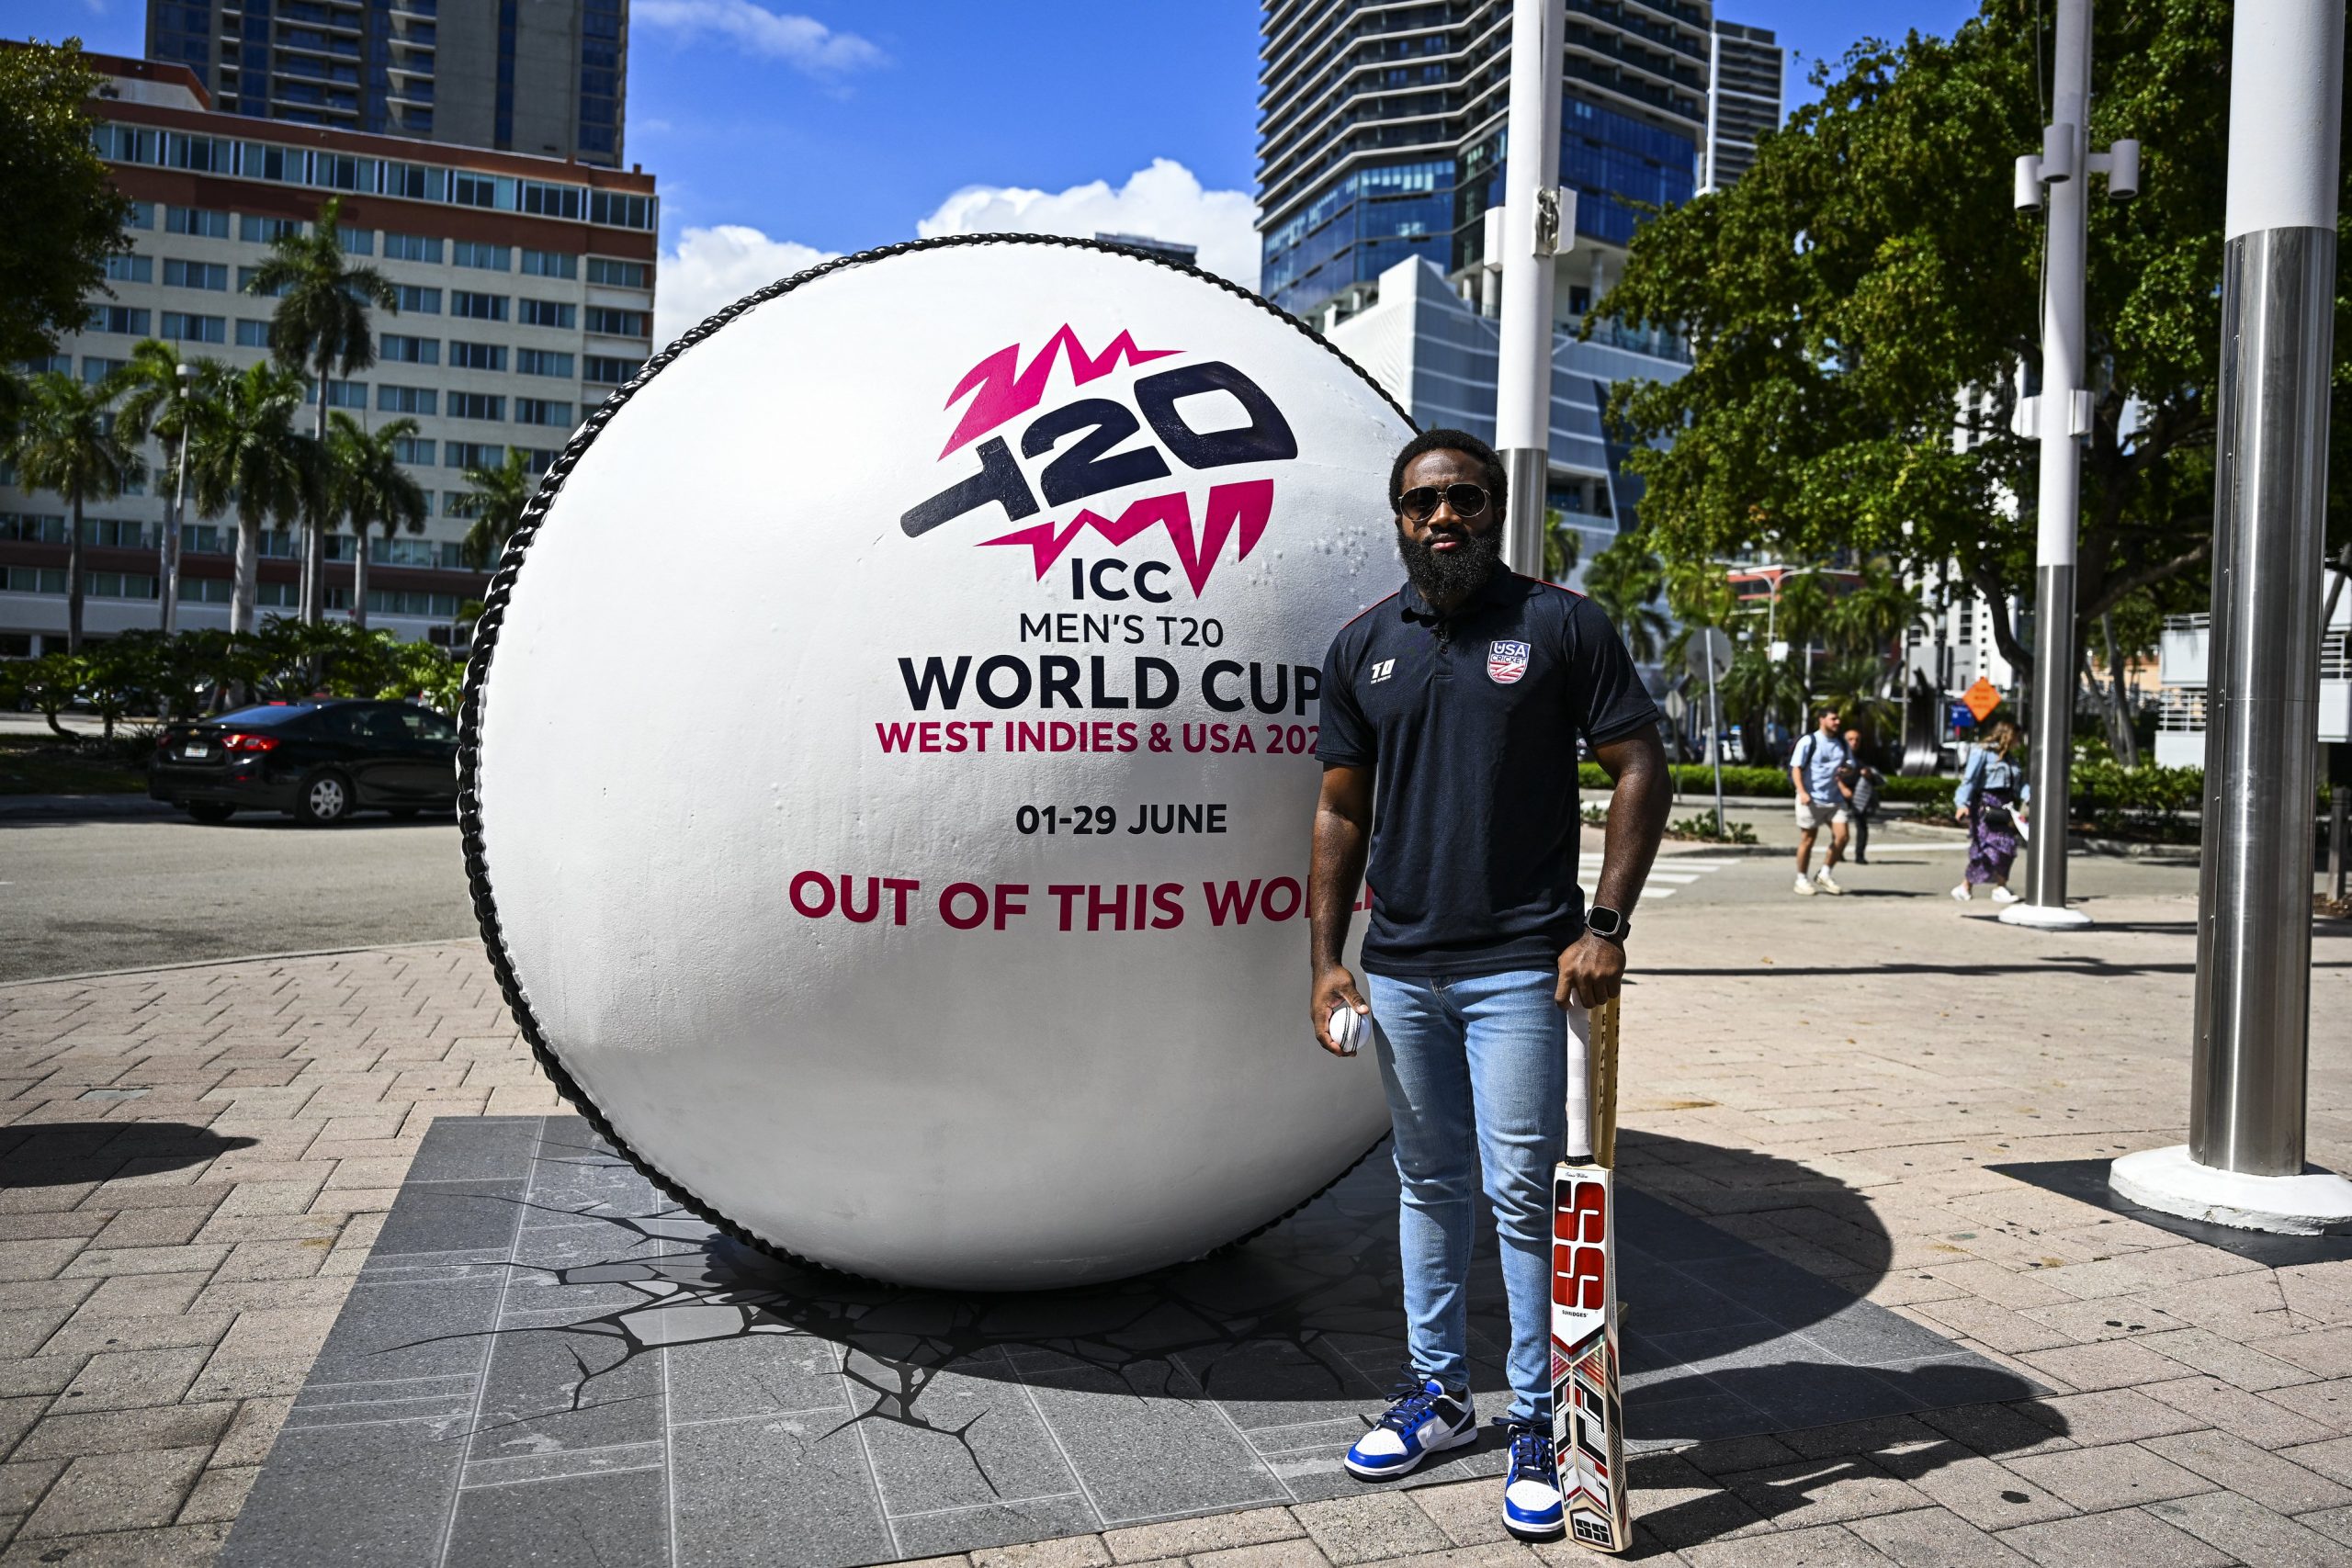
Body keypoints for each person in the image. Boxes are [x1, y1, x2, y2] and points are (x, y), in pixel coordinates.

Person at [1307, 428, 1672, 1542]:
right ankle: (1438, 1397)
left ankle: (1535, 1420)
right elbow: (1338, 811)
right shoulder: (1363, 645)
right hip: (1403, 969)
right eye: (1423, 503)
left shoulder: (1561, 625)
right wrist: (1327, 959)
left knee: (1521, 1193)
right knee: (1425, 1183)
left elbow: (1638, 766)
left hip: (1523, 963)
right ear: (1400, 517)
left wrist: (1604, 925)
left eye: (1464, 498)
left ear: (1495, 508)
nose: (1444, 517)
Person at [1953, 719, 2029, 902]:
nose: (2019, 742)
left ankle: (1998, 887)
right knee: (1986, 849)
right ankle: (1967, 886)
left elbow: (2021, 784)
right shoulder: (1982, 752)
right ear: (2008, 735)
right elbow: (1969, 780)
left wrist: (2029, 797)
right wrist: (1961, 803)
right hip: (1985, 806)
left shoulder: (2011, 759)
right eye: (2017, 737)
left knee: (2007, 848)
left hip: (2005, 807)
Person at [1790, 707, 1850, 895]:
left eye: (1838, 718)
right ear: (1821, 720)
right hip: (1811, 798)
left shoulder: (1841, 742)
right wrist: (1802, 791)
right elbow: (1796, 768)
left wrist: (1846, 771)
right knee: (1808, 839)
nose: (1837, 722)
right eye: (1833, 718)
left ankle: (1825, 873)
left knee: (1843, 837)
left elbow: (1848, 765)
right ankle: (1801, 879)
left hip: (1834, 799)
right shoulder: (1809, 741)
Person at [1839, 728, 1883, 864]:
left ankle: (1860, 855)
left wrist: (1868, 774)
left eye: (1857, 739)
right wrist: (1843, 788)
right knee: (1840, 825)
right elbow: (1833, 775)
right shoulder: (1839, 754)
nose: (1854, 742)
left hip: (1860, 794)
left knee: (1862, 825)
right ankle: (1838, 852)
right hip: (1841, 793)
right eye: (1851, 739)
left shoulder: (1865, 756)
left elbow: (1876, 774)